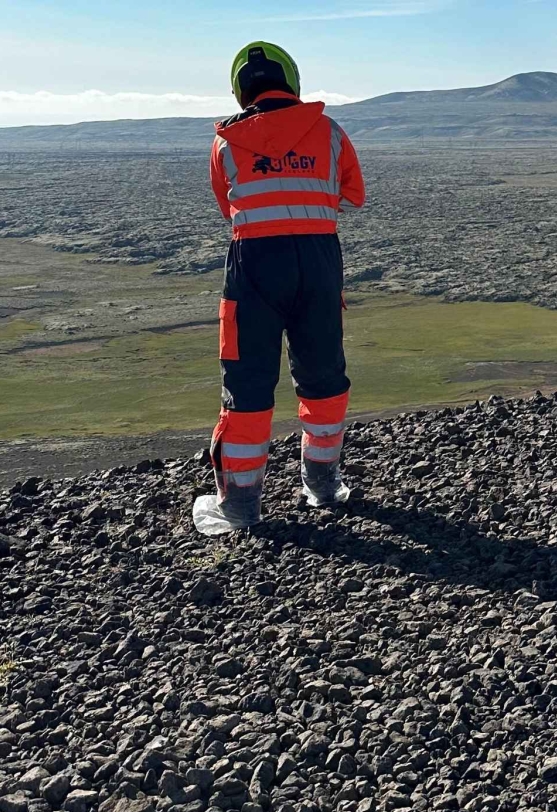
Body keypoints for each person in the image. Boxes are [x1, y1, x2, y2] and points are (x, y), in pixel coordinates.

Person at [192, 41, 366, 535]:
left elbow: (228, 207)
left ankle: (241, 507)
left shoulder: (225, 142)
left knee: (247, 379)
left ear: (240, 89)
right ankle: (324, 486)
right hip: (318, 260)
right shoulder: (330, 132)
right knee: (323, 374)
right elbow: (353, 194)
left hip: (254, 262)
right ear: (291, 81)